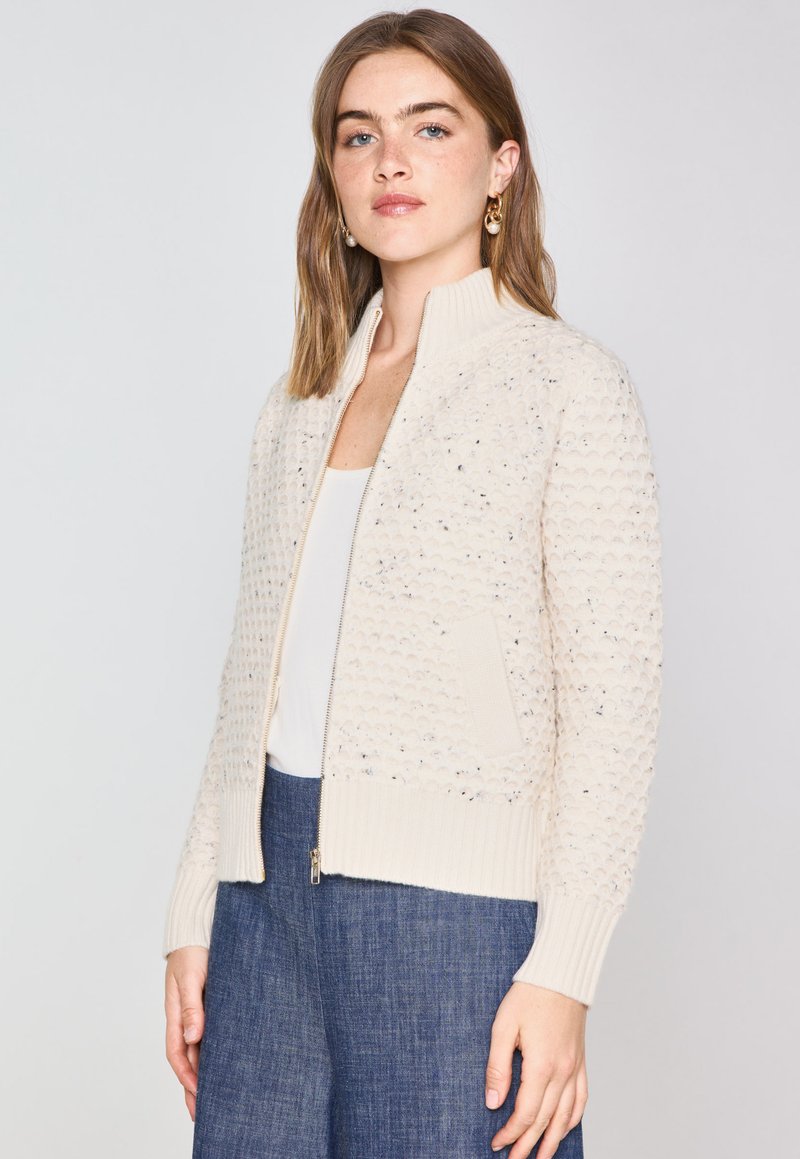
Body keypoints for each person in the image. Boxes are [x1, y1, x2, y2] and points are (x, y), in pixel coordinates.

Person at [162, 10, 663, 1159]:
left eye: (429, 128)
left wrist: (564, 968)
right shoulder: (297, 403)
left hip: (454, 918)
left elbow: (612, 703)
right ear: (332, 177)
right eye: (358, 135)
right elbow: (247, 684)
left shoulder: (564, 385)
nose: (389, 160)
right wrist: (195, 906)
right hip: (263, 904)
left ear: (499, 165)